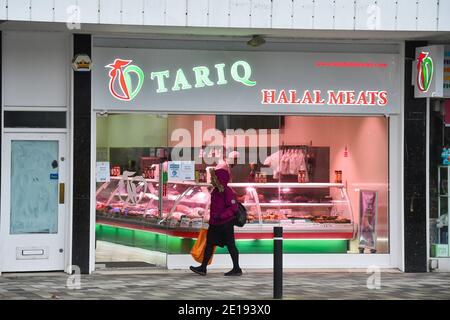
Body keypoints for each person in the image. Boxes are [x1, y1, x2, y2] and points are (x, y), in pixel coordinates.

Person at [190, 168, 242, 276]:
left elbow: (233, 208)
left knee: (231, 245)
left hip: (225, 223)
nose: (212, 179)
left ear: (220, 179)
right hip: (215, 223)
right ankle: (203, 268)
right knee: (209, 244)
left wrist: (220, 216)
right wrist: (213, 218)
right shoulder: (216, 190)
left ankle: (237, 268)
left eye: (215, 177)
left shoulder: (227, 191)